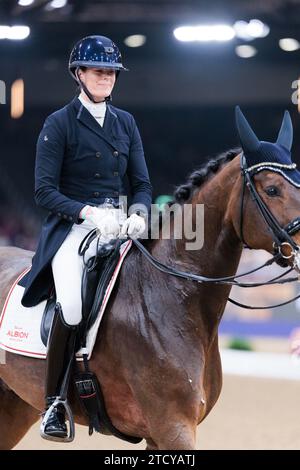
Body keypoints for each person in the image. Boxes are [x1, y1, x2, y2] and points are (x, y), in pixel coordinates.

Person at [19, 35, 152, 440]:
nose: (106, 78)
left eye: (111, 72)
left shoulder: (126, 122)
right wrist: (90, 212)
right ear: (79, 74)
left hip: (119, 227)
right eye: (98, 71)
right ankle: (55, 403)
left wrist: (139, 214)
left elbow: (142, 183)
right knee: (73, 306)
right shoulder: (58, 123)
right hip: (73, 229)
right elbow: (44, 191)